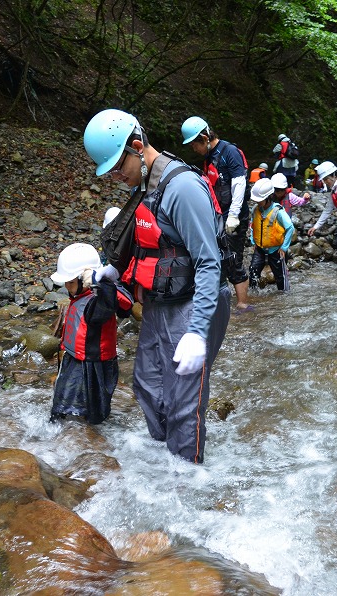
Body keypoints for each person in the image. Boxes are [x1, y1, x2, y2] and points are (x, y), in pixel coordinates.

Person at [84, 109, 230, 464]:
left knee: (183, 398)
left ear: (137, 147)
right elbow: (149, 242)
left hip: (195, 301)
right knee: (147, 383)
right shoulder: (145, 186)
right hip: (160, 300)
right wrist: (114, 271)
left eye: (119, 168)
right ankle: (165, 460)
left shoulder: (181, 187)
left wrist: (197, 331)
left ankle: (186, 477)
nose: (117, 177)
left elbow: (209, 261)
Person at [50, 243, 133, 424]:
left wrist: (100, 281)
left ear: (84, 281)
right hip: (75, 359)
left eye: (70, 282)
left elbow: (122, 303)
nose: (66, 285)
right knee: (62, 408)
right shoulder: (80, 297)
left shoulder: (99, 302)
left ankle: (91, 441)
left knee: (93, 415)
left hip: (94, 365)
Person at [182, 116, 252, 312]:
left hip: (235, 216)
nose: (193, 149)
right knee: (218, 258)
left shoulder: (230, 152)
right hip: (219, 216)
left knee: (234, 258)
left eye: (194, 144)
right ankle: (221, 301)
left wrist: (234, 215)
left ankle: (243, 304)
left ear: (204, 138)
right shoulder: (208, 159)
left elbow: (239, 183)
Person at [248, 178, 295, 292]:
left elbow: (290, 227)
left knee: (280, 276)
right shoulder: (256, 209)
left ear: (268, 197)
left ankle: (283, 296)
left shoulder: (278, 211)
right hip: (260, 248)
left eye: (260, 200)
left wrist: (284, 247)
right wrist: (253, 241)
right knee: (253, 271)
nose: (257, 202)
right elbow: (253, 226)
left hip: (276, 249)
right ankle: (253, 294)